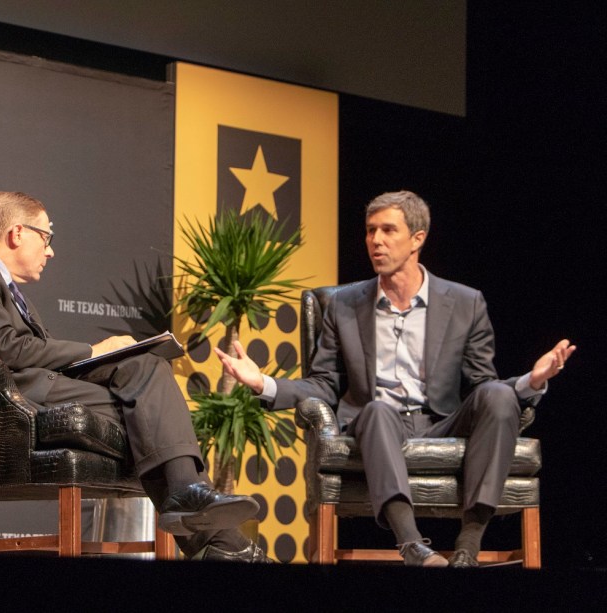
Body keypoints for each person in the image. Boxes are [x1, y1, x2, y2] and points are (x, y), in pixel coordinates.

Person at [216, 190, 575, 567]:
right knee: (376, 410)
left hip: (443, 421)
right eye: (371, 230)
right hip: (379, 422)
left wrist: (530, 382)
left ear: (417, 239)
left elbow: (482, 383)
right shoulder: (343, 305)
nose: (376, 240)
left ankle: (468, 544)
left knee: (499, 396)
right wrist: (263, 383)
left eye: (388, 230)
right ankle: (412, 545)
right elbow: (323, 383)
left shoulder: (465, 303)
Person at [0, 191, 268, 562]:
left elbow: (23, 350)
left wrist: (111, 354)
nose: (50, 251)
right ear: (17, 233)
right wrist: (94, 350)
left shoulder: (0, 284)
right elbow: (9, 349)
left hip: (33, 383)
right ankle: (225, 544)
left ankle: (195, 505)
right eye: (46, 237)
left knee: (146, 365)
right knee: (147, 416)